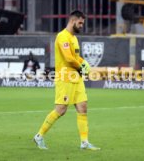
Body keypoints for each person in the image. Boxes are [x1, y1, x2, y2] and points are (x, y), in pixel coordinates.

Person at [33, 10, 100, 150]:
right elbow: (69, 58)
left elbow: (76, 57)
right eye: (80, 23)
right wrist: (82, 67)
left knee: (82, 107)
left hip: (76, 78)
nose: (82, 25)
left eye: (83, 23)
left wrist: (84, 62)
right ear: (72, 21)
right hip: (65, 78)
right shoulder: (62, 37)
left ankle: (84, 142)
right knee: (61, 110)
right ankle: (39, 136)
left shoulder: (74, 38)